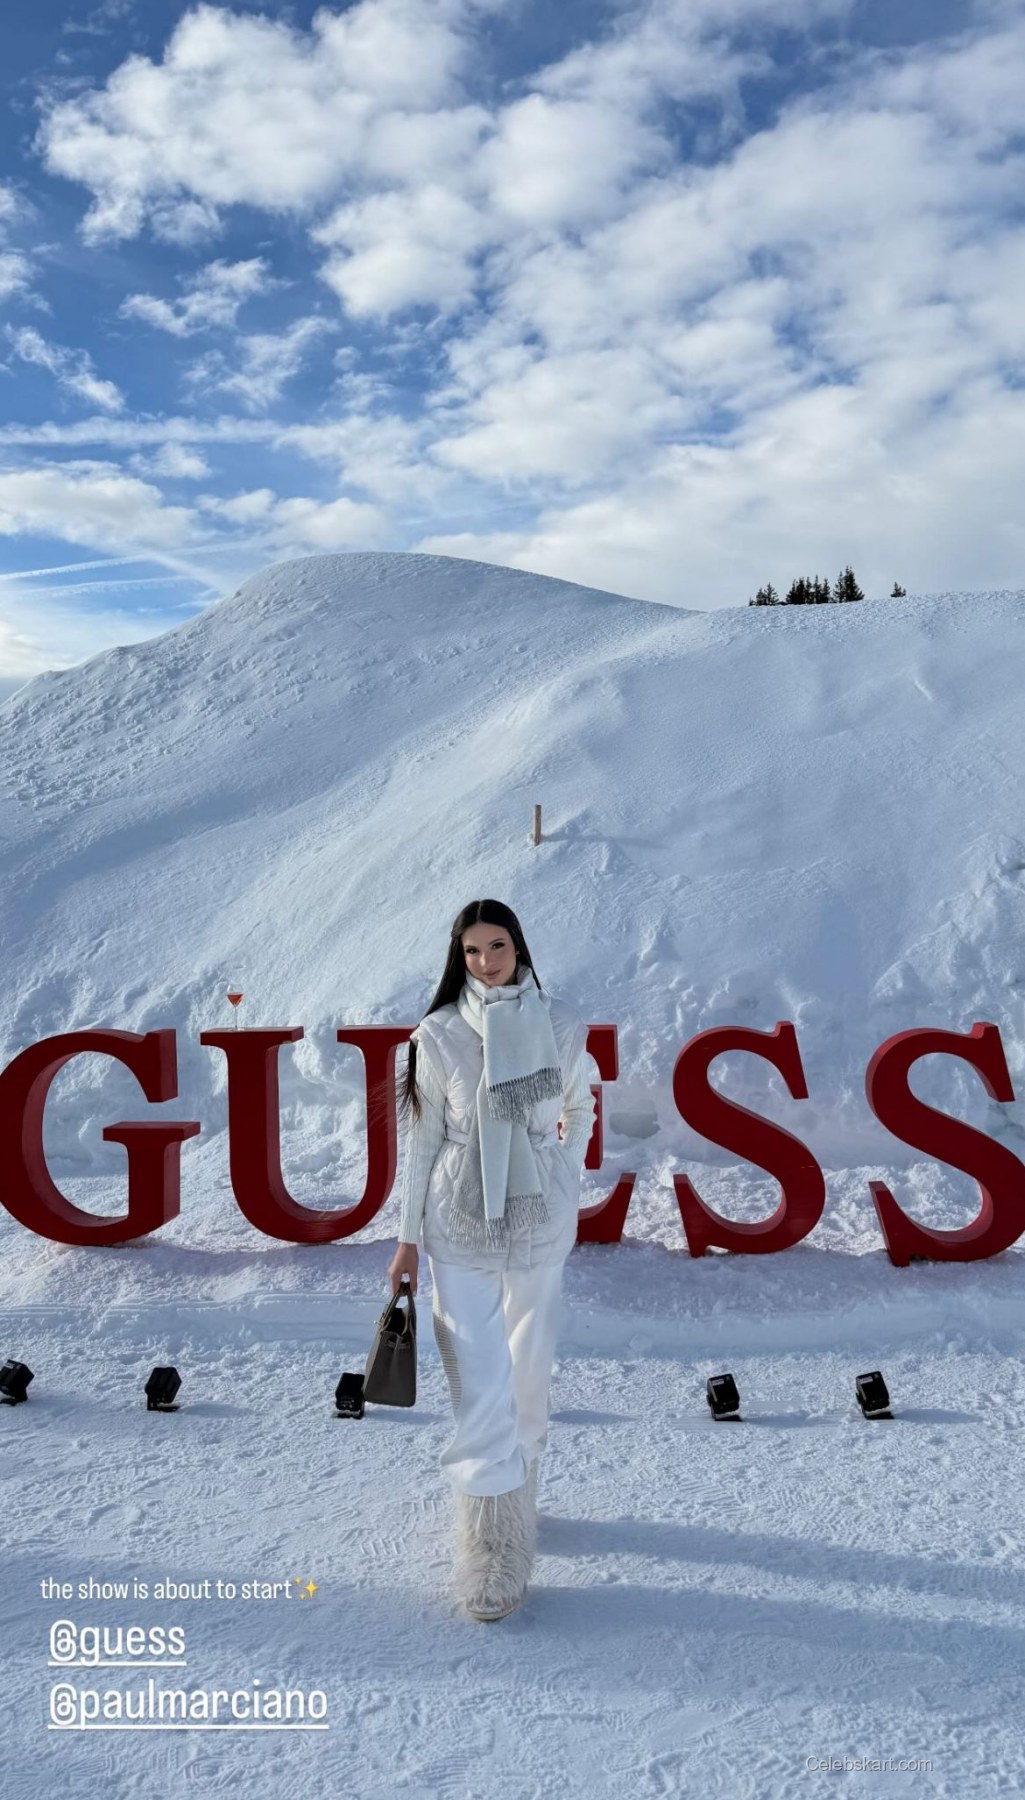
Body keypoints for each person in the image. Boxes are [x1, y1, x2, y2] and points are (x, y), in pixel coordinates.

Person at [388, 898, 596, 1622]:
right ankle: (490, 1545)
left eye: (496, 946)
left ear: (518, 946)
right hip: (458, 1221)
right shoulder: (438, 1033)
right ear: (459, 957)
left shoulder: (560, 1023)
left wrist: (563, 1169)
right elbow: (421, 1140)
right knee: (478, 1376)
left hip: (538, 1219)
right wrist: (406, 1238)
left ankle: (519, 1500)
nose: (485, 962)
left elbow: (580, 1104)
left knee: (527, 1371)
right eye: (472, 951)